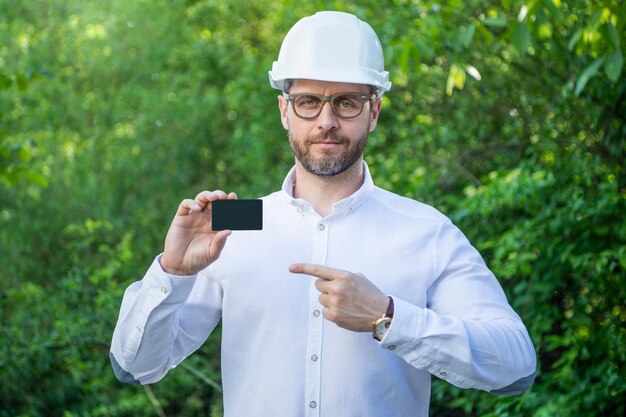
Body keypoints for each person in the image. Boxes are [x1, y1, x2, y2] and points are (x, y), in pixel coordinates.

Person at [110, 11, 536, 417]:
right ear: (285, 112)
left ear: (374, 113)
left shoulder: (424, 229)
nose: (326, 121)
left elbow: (515, 365)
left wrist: (388, 317)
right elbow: (136, 366)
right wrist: (173, 272)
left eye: (347, 103)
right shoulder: (237, 220)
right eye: (309, 102)